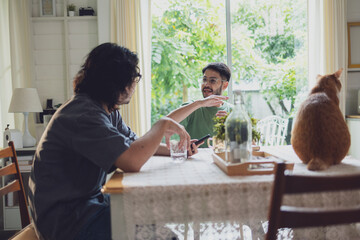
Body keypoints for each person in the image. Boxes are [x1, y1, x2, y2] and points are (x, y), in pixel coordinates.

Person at [28, 42, 199, 240]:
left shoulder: (104, 109)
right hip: (68, 223)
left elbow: (135, 146)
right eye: (133, 78)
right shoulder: (84, 115)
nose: (135, 83)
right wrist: (161, 125)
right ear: (116, 83)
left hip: (87, 207)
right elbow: (131, 162)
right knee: (163, 235)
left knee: (150, 213)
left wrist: (177, 150)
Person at [167, 62, 232, 147]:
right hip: (194, 159)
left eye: (212, 81)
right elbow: (165, 123)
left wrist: (233, 126)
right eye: (204, 79)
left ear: (224, 85)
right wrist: (199, 103)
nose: (206, 84)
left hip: (223, 159)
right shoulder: (193, 107)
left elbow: (250, 144)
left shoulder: (234, 112)